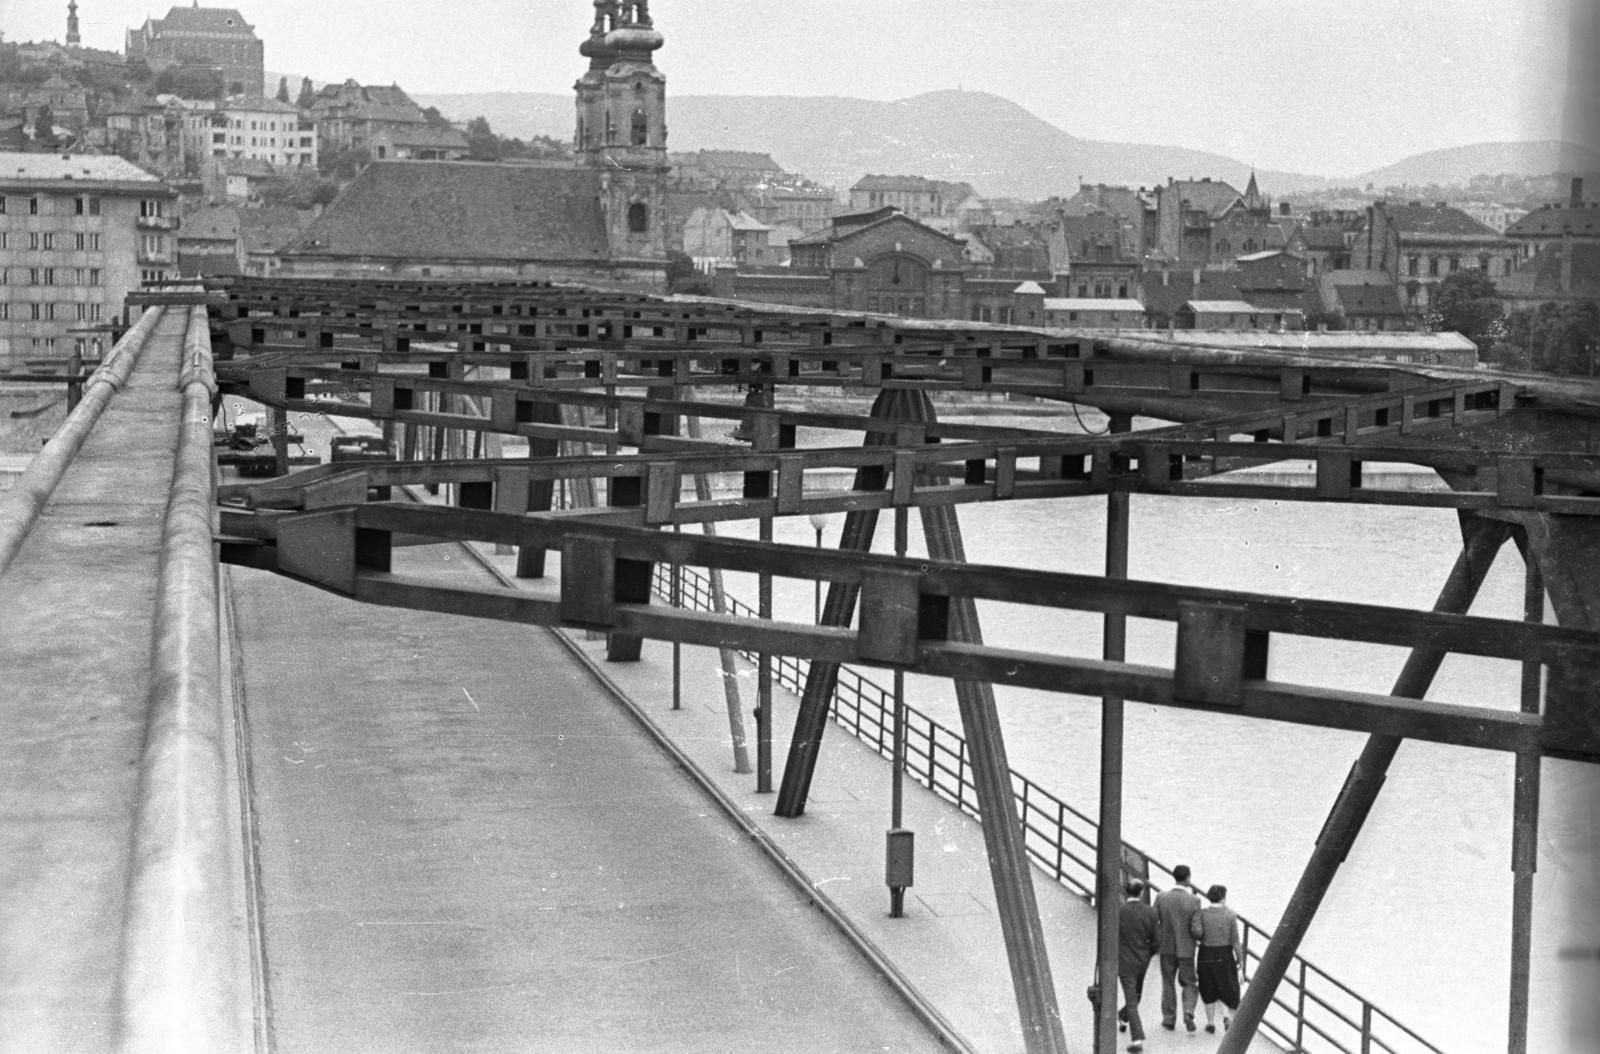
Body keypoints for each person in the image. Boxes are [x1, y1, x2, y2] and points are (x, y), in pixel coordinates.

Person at [1190, 884, 1244, 1033]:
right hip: (1225, 955)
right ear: (1223, 899)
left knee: (1207, 986)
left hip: (1206, 952)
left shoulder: (1202, 913)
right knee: (1224, 985)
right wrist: (1240, 961)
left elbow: (1198, 933)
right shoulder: (1230, 915)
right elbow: (1235, 942)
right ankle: (1226, 1016)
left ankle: (1210, 1022)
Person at [1154, 864, 1201, 1032]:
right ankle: (1188, 1012)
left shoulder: (1161, 897)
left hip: (1166, 947)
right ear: (1187, 878)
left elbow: (1154, 921)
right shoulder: (1194, 901)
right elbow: (1196, 929)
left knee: (1168, 982)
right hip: (1186, 949)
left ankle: (1169, 1019)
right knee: (1189, 982)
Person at [1117, 878, 1160, 1052]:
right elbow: (1157, 940)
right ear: (1141, 893)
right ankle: (1135, 1036)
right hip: (1142, 960)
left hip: (1125, 960)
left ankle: (1126, 1020)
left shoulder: (1119, 911)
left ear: (1126, 892)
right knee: (1136, 996)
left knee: (1132, 998)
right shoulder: (1150, 912)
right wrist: (1147, 954)